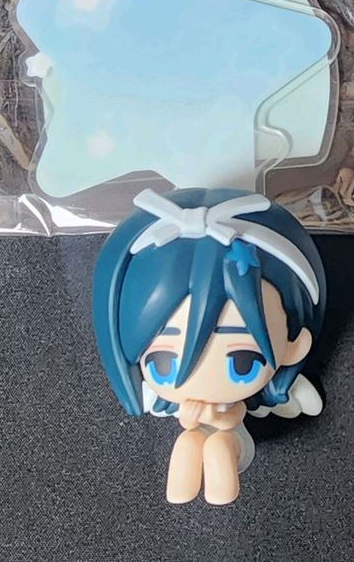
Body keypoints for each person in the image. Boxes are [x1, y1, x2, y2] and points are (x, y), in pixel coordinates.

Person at [93, 187, 326, 503]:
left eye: (243, 362)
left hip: (235, 443)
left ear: (293, 344)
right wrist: (190, 418)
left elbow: (231, 417)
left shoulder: (233, 404)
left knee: (218, 446)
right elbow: (189, 423)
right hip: (199, 433)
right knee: (188, 442)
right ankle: (181, 488)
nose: (199, 375)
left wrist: (213, 418)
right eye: (163, 363)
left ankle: (220, 486)